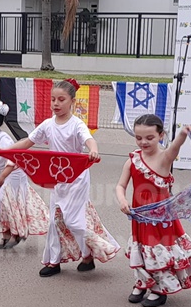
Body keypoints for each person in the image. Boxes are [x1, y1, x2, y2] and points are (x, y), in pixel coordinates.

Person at [9, 80, 120, 276]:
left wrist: (93, 150)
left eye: (61, 99)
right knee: (54, 221)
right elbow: (27, 142)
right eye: (53, 99)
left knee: (74, 221)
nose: (56, 104)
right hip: (57, 179)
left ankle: (95, 250)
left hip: (77, 179)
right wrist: (5, 151)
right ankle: (53, 261)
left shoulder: (77, 124)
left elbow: (89, 140)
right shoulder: (47, 124)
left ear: (72, 102)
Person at [116, 114, 191, 307]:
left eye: (149, 137)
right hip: (139, 217)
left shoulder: (164, 158)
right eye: (139, 138)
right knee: (141, 248)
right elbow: (120, 185)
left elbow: (175, 147)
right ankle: (142, 282)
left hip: (162, 218)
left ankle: (159, 288)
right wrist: (122, 200)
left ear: (160, 135)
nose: (143, 142)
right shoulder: (133, 160)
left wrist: (182, 133)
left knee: (159, 251)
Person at [0, 102, 48, 249]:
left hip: (14, 173)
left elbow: (13, 159)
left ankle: (17, 234)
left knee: (4, 201)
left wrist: (2, 176)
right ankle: (6, 236)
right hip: (5, 173)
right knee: (3, 204)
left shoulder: (3, 139)